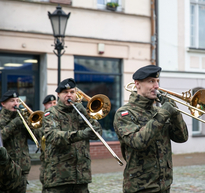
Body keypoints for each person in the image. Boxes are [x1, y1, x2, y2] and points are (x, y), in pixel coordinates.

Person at [113, 65, 188, 193]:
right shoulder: (124, 113)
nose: (156, 86)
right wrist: (163, 115)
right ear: (137, 84)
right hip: (140, 187)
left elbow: (182, 137)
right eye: (151, 81)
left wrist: (175, 114)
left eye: (157, 81)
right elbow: (138, 142)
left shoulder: (159, 111)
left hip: (164, 184)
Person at [42, 78, 102, 192]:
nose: (69, 95)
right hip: (59, 177)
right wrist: (81, 134)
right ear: (58, 94)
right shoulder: (51, 113)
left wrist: (86, 113)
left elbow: (97, 133)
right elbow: (53, 136)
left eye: (72, 92)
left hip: (81, 177)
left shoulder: (81, 111)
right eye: (65, 92)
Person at [0, 90, 34, 192]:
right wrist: (14, 124)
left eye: (17, 101)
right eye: (12, 101)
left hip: (22, 169)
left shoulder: (21, 118)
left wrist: (32, 124)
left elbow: (36, 137)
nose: (16, 104)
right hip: (4, 171)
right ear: (3, 104)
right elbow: (1, 137)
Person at [38, 94, 57, 192]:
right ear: (45, 105)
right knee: (46, 184)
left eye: (54, 103)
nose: (53, 105)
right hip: (47, 157)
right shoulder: (41, 118)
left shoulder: (58, 116)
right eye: (50, 103)